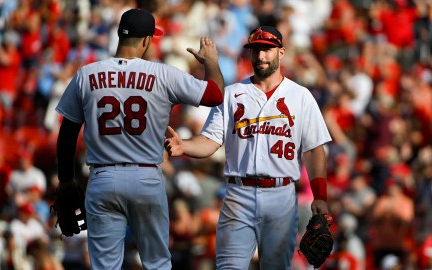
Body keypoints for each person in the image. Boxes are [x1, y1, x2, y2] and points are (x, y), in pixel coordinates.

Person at [55, 8, 224, 270]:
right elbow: (214, 95)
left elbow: (67, 134)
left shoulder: (86, 75)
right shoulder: (163, 74)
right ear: (146, 40)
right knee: (157, 264)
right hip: (146, 176)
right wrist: (210, 62)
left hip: (103, 178)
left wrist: (66, 182)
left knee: (105, 267)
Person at [165, 25, 331, 269]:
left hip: (281, 194)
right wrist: (185, 146)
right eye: (256, 50)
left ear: (281, 52)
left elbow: (314, 150)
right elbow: (210, 140)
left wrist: (321, 196)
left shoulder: (300, 96)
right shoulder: (231, 94)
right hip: (238, 194)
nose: (261, 56)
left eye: (267, 49)